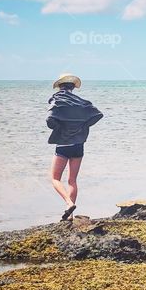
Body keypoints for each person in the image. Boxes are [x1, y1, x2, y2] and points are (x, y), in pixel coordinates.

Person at [47, 74, 103, 220]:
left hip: (63, 145)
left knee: (54, 178)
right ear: (73, 87)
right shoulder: (80, 102)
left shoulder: (57, 99)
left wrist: (61, 127)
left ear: (60, 86)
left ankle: (68, 203)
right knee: (72, 180)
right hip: (79, 145)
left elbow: (49, 120)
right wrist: (83, 126)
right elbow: (98, 115)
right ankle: (70, 215)